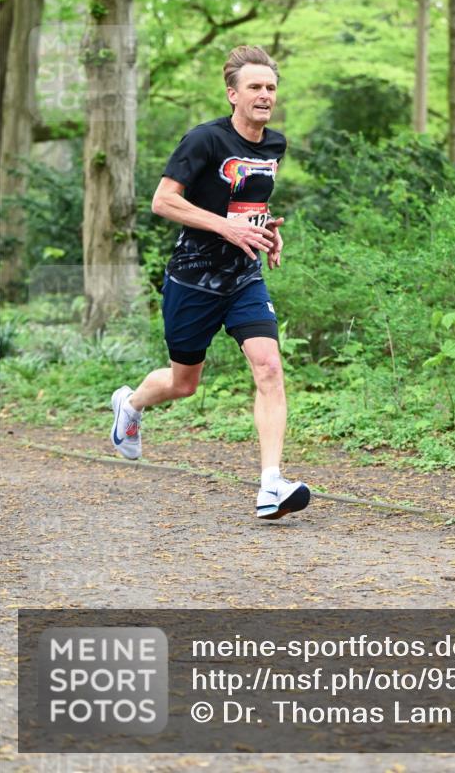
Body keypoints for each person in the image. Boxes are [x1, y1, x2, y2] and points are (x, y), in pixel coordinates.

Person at [110, 45, 310, 521]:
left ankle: (270, 486)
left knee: (269, 368)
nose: (265, 96)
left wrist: (266, 232)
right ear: (232, 94)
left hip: (243, 277)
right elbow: (163, 201)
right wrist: (227, 228)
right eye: (255, 88)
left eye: (271, 88)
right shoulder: (204, 141)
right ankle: (131, 405)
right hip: (193, 279)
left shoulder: (274, 145)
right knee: (184, 384)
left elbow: (246, 203)